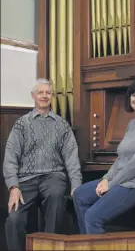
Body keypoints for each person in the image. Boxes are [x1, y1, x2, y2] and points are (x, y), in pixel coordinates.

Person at [73, 76, 135, 234]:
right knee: (80, 195)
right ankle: (87, 243)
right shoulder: (132, 124)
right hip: (123, 181)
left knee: (93, 217)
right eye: (134, 95)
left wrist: (110, 185)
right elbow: (121, 159)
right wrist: (106, 178)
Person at [3, 78, 82, 251]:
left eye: (48, 92)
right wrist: (13, 186)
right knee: (13, 219)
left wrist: (76, 186)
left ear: (52, 95)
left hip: (53, 176)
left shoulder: (62, 125)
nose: (44, 96)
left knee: (56, 199)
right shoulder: (21, 124)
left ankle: (49, 248)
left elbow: (72, 158)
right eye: (40, 92)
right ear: (33, 96)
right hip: (26, 179)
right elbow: (10, 158)